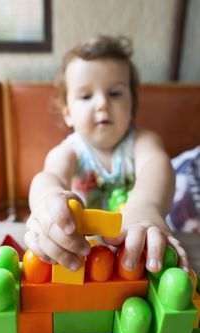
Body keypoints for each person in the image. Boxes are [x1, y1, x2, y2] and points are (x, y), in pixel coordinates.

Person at [24, 35, 189, 274]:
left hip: (138, 252)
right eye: (86, 96)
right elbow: (48, 177)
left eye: (115, 93)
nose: (102, 103)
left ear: (132, 104)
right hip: (83, 256)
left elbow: (157, 165)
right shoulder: (69, 151)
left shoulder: (142, 141)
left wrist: (146, 206)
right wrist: (48, 202)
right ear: (68, 112)